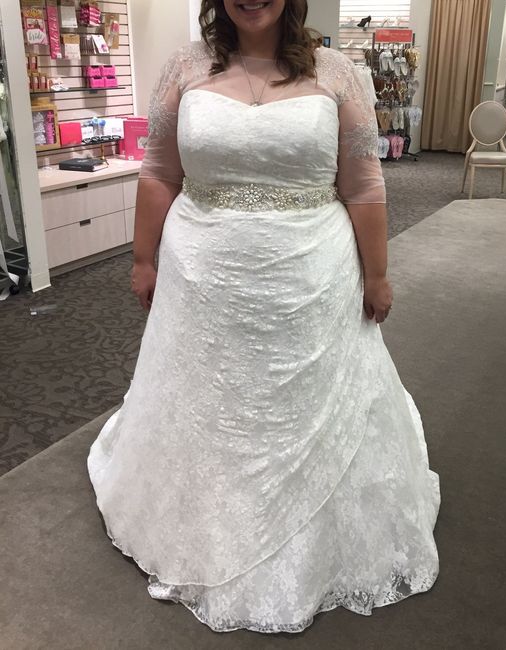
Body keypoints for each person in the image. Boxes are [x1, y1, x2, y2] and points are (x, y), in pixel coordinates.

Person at [88, 0, 440, 634]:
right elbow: (159, 171)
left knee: (305, 404)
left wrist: (378, 274)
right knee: (208, 403)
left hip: (311, 277)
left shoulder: (337, 73)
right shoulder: (183, 68)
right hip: (202, 279)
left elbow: (363, 185)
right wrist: (143, 258)